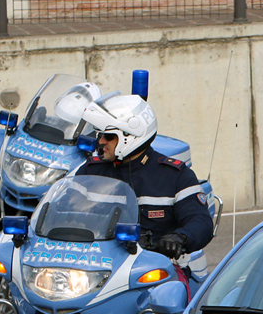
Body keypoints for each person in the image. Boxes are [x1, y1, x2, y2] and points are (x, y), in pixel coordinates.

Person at [75, 94, 213, 271]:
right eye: (100, 135)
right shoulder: (91, 171)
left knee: (170, 296)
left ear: (130, 136)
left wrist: (180, 238)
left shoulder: (174, 176)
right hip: (96, 267)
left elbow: (200, 221)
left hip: (154, 270)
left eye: (108, 136)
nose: (101, 142)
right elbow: (63, 211)